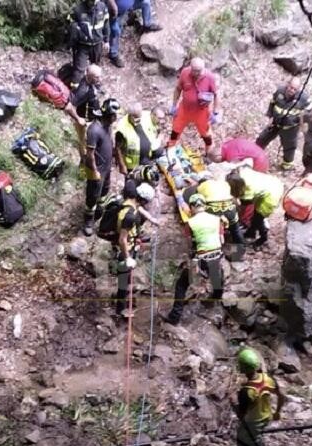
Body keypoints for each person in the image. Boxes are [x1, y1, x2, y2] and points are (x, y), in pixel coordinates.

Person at [163, 194, 226, 325]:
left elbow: (190, 245)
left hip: (202, 256)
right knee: (218, 277)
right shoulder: (216, 219)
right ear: (204, 205)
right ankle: (216, 298)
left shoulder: (190, 223)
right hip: (216, 254)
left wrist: (192, 261)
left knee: (181, 285)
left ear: (192, 207)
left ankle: (175, 317)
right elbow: (222, 239)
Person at [114, 181, 159, 317]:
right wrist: (127, 258)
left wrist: (151, 219)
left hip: (130, 245)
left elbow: (138, 209)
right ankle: (120, 310)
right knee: (123, 279)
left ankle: (125, 299)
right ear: (143, 200)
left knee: (126, 279)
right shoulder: (130, 216)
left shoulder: (130, 202)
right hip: (124, 250)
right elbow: (122, 239)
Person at [232, 347, 284, 446]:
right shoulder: (267, 379)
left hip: (253, 423)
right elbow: (281, 396)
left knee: (243, 440)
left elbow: (241, 415)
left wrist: (233, 403)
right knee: (257, 438)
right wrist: (278, 412)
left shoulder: (246, 392)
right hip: (266, 417)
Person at [181, 171, 245, 259]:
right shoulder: (223, 184)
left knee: (211, 229)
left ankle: (215, 250)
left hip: (213, 209)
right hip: (230, 207)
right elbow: (234, 199)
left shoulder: (201, 187)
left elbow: (198, 201)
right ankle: (240, 252)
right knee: (236, 229)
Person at [82, 98, 121, 236]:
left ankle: (99, 211)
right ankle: (88, 220)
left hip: (106, 166)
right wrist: (95, 171)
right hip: (96, 168)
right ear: (109, 115)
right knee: (92, 195)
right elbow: (90, 154)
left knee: (104, 191)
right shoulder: (94, 130)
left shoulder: (107, 125)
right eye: (114, 116)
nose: (116, 118)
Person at [255, 77, 312, 171]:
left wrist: (302, 124)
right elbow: (272, 103)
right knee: (262, 139)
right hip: (275, 123)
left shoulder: (304, 98)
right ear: (287, 85)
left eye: (295, 89)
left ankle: (287, 166)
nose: (292, 90)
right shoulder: (280, 91)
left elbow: (309, 113)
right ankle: (253, 155)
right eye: (291, 87)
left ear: (299, 89)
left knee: (289, 148)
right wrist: (270, 116)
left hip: (290, 128)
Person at [168, 57, 219, 154]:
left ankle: (210, 153)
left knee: (206, 134)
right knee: (175, 130)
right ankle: (170, 149)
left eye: (199, 71)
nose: (197, 73)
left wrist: (215, 112)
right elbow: (178, 89)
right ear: (191, 68)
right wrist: (174, 105)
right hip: (185, 109)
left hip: (201, 111)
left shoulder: (210, 77)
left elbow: (216, 95)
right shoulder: (185, 73)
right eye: (195, 71)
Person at [226, 166, 284, 248]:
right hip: (271, 184)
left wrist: (234, 209)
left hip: (272, 196)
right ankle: (251, 233)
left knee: (258, 219)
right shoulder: (243, 172)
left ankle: (263, 238)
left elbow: (244, 204)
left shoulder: (248, 190)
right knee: (255, 216)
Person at [66, 64, 105, 170]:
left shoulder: (91, 83)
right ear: (90, 76)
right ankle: (83, 168)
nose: (99, 79)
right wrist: (78, 119)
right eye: (97, 77)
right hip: (85, 122)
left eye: (99, 76)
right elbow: (69, 107)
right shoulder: (83, 90)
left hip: (93, 118)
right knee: (85, 147)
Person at [67, 0, 111, 86]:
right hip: (82, 45)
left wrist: (107, 40)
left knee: (95, 67)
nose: (93, 2)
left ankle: (93, 87)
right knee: (79, 70)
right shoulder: (78, 9)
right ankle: (74, 91)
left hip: (97, 44)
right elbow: (70, 26)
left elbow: (106, 25)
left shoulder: (102, 7)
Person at [115, 103, 165, 176]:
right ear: (130, 115)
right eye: (135, 118)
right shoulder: (122, 128)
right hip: (132, 164)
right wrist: (122, 165)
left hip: (146, 156)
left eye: (139, 118)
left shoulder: (144, 116)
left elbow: (153, 120)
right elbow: (117, 148)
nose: (138, 120)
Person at [108, 0, 162, 68]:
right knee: (116, 31)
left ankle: (147, 24)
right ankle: (113, 55)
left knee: (146, 3)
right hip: (117, 11)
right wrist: (112, 5)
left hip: (131, 4)